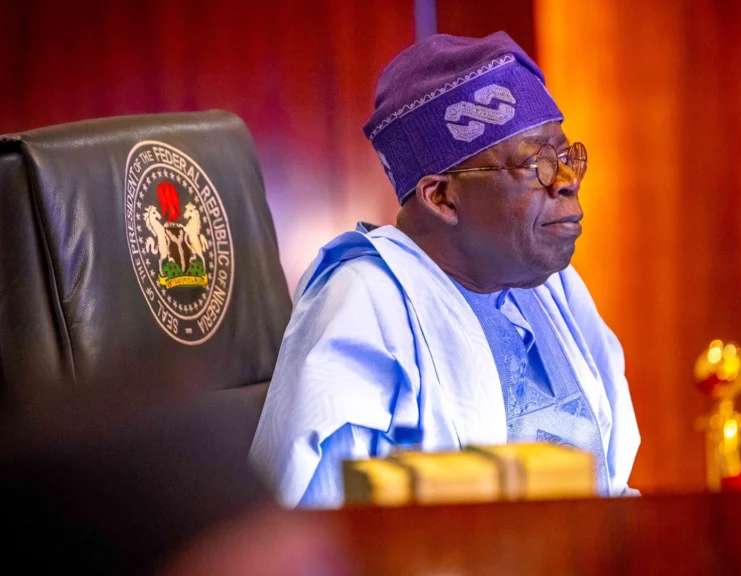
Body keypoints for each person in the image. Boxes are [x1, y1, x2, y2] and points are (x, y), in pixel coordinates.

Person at [250, 31, 639, 508]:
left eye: (564, 158)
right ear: (441, 197)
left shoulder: (552, 287)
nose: (566, 184)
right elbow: (317, 529)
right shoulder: (366, 304)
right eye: (536, 164)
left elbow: (610, 488)